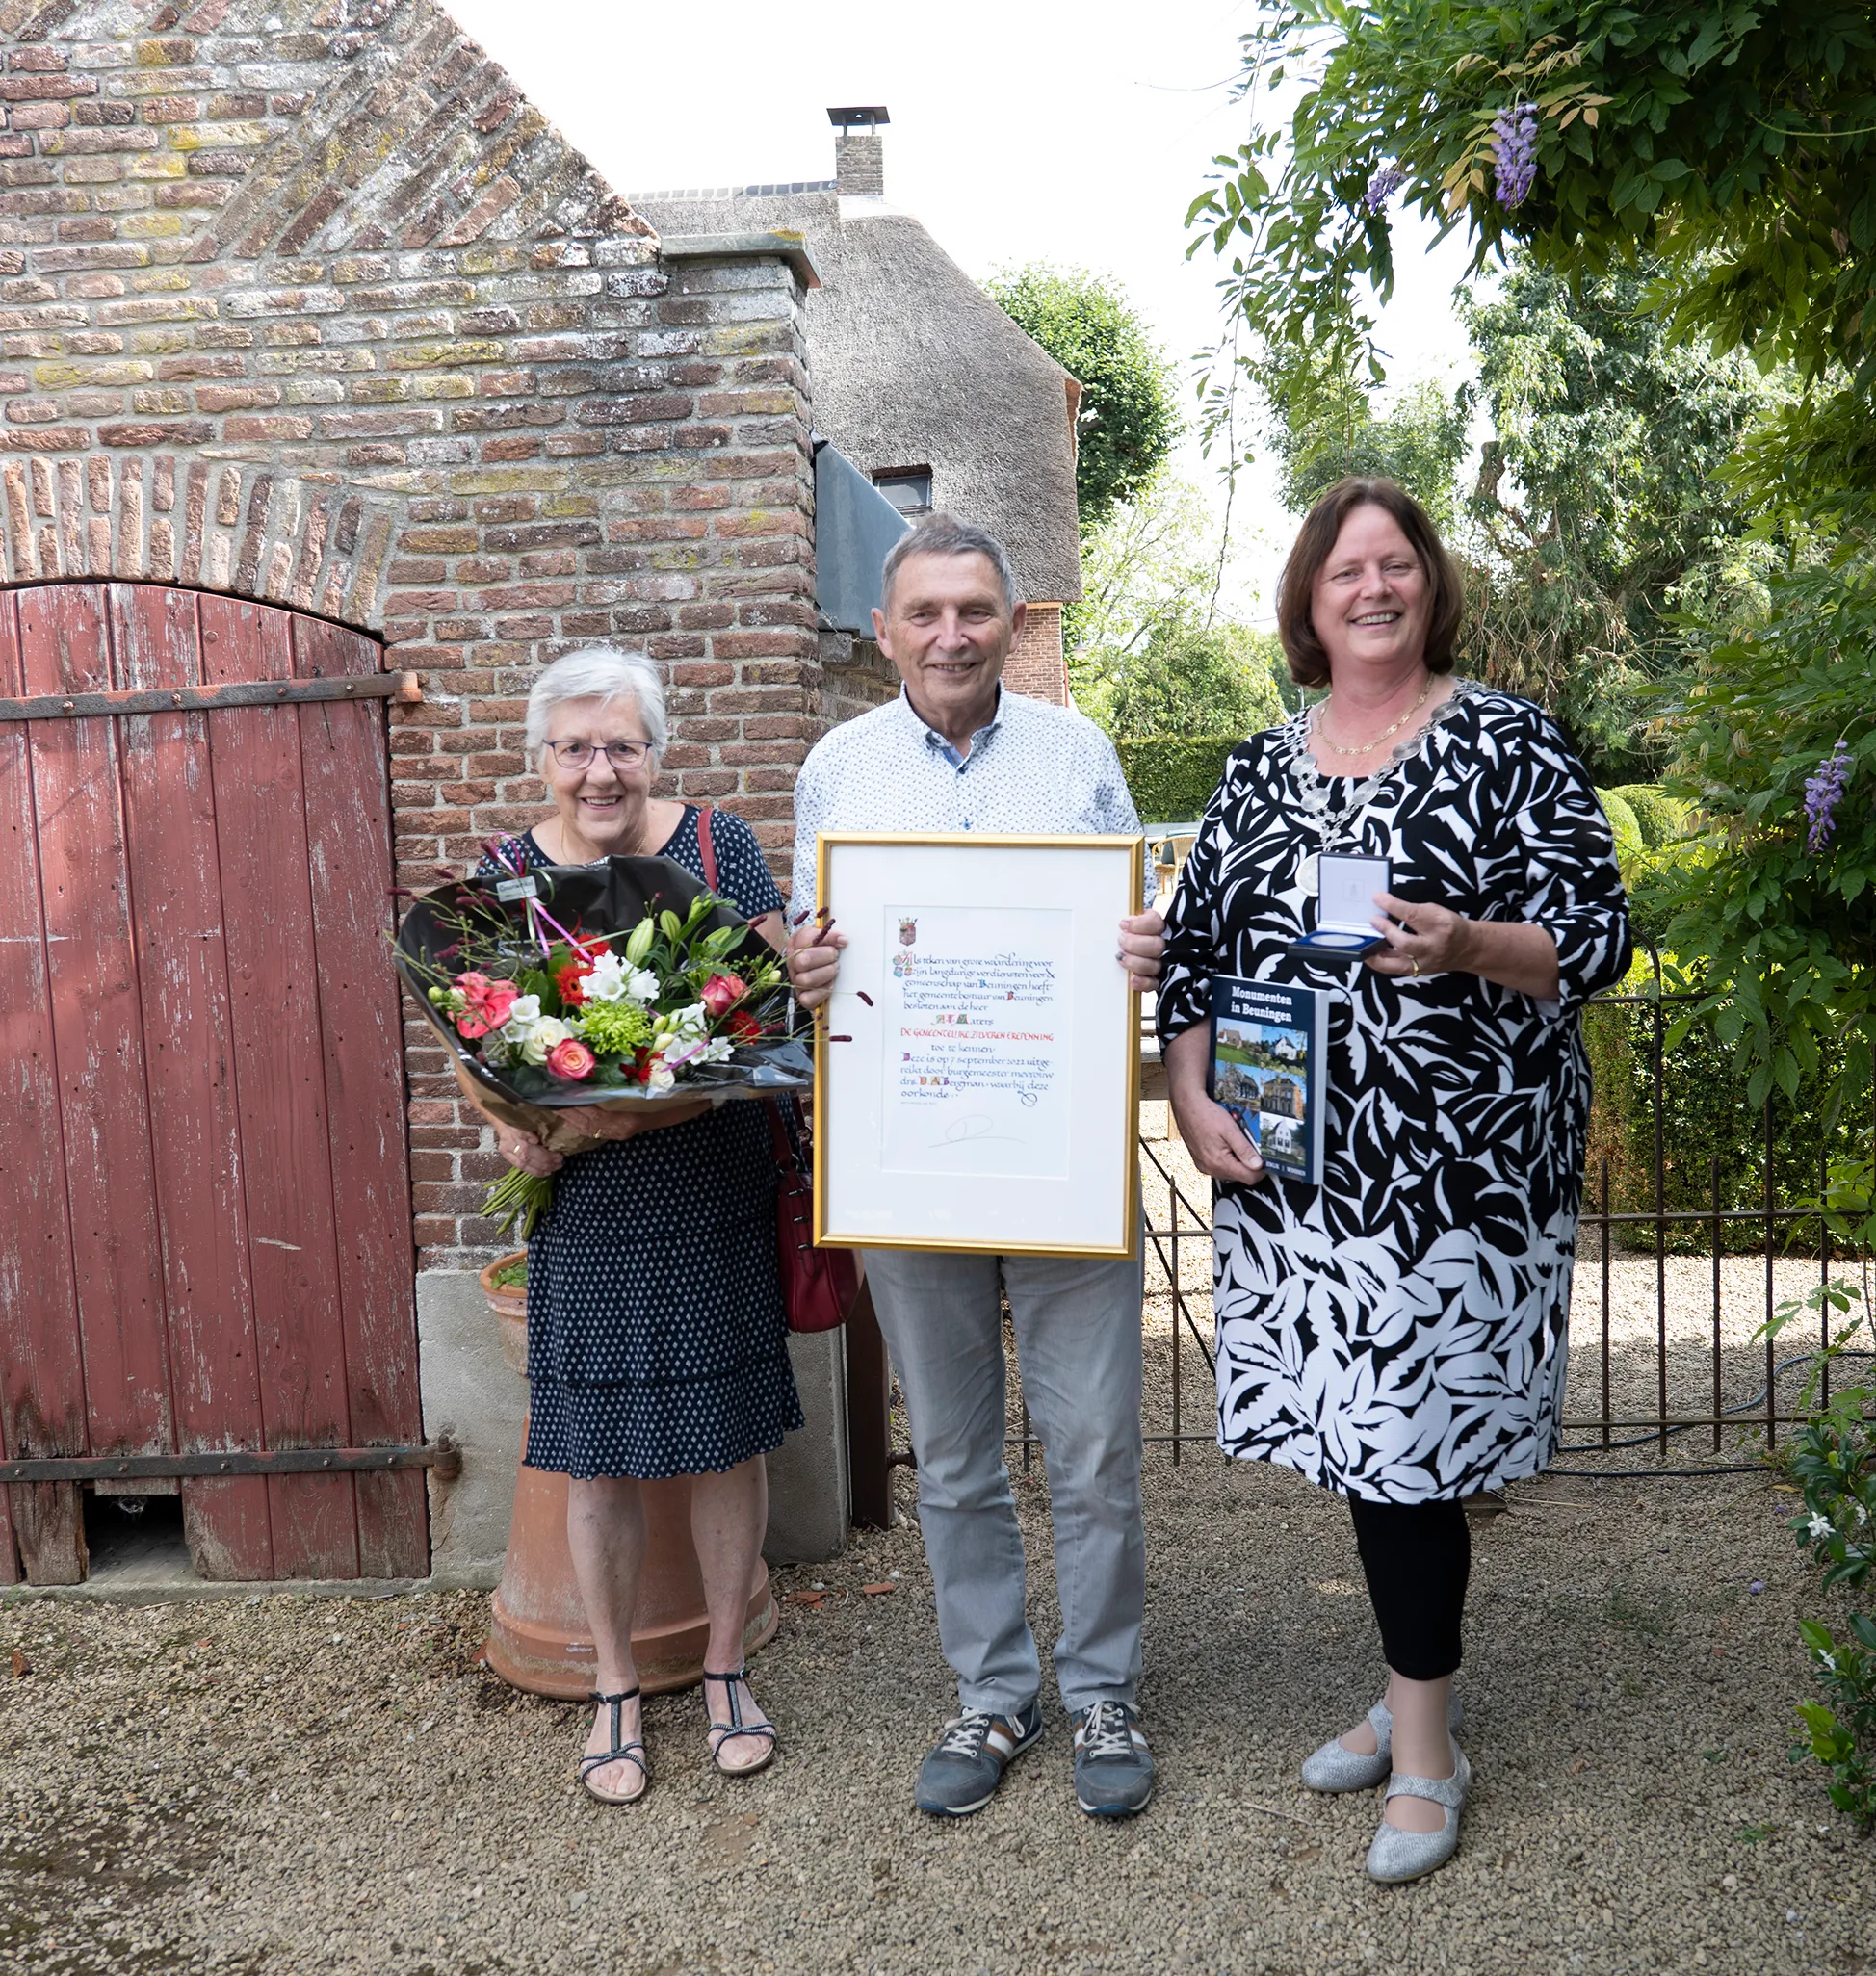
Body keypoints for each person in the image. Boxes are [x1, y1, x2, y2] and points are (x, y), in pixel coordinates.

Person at [1157, 478, 1631, 1883]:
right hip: (1296, 1171)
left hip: (1458, 1170)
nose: (1373, 586)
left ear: (1429, 583)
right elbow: (1196, 956)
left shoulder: (1505, 741)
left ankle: (1426, 1752)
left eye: (1396, 563)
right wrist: (1188, 1093)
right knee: (1366, 1450)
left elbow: (1597, 935)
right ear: (1308, 601)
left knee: (1410, 1453)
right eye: (1344, 569)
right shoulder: (1257, 765)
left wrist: (1468, 944)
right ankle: (1407, 1687)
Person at [786, 512, 1166, 1820]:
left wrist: (1140, 957)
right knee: (948, 1452)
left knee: (1095, 1446)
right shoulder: (837, 770)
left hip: (1058, 1158)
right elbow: (811, 948)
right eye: (926, 612)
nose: (952, 634)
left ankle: (1104, 1689)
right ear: (884, 630)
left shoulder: (1079, 756)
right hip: (912, 1164)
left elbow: (1131, 933)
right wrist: (808, 970)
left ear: (1012, 620)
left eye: (976, 610)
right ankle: (994, 1692)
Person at [484, 644, 801, 1806]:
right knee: (593, 1455)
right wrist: (515, 1128)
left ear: (656, 749)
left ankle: (724, 1662)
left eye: (621, 744)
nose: (599, 770)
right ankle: (615, 1684)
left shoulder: (719, 850)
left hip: (707, 1185)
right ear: (543, 759)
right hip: (585, 1200)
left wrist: (677, 1085)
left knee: (726, 1434)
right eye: (573, 748)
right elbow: (478, 1035)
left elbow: (771, 1020)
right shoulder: (508, 877)